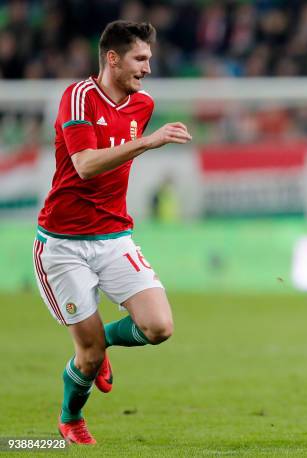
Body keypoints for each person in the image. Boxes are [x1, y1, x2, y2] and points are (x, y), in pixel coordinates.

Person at [33, 20, 192, 445]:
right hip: (62, 245)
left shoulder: (142, 105)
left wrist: (147, 139)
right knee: (86, 359)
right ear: (112, 58)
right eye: (141, 59)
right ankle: (71, 419)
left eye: (150, 60)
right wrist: (148, 143)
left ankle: (100, 342)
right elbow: (84, 165)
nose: (148, 68)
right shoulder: (78, 97)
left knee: (159, 327)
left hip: (113, 237)